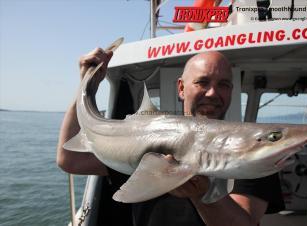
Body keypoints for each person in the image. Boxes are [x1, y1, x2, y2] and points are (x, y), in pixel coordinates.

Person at [57, 48, 284, 226]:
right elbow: (69, 159)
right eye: (202, 82)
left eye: (223, 84)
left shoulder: (253, 152)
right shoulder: (146, 138)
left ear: (231, 91)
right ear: (181, 88)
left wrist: (201, 195)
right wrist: (86, 87)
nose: (213, 93)